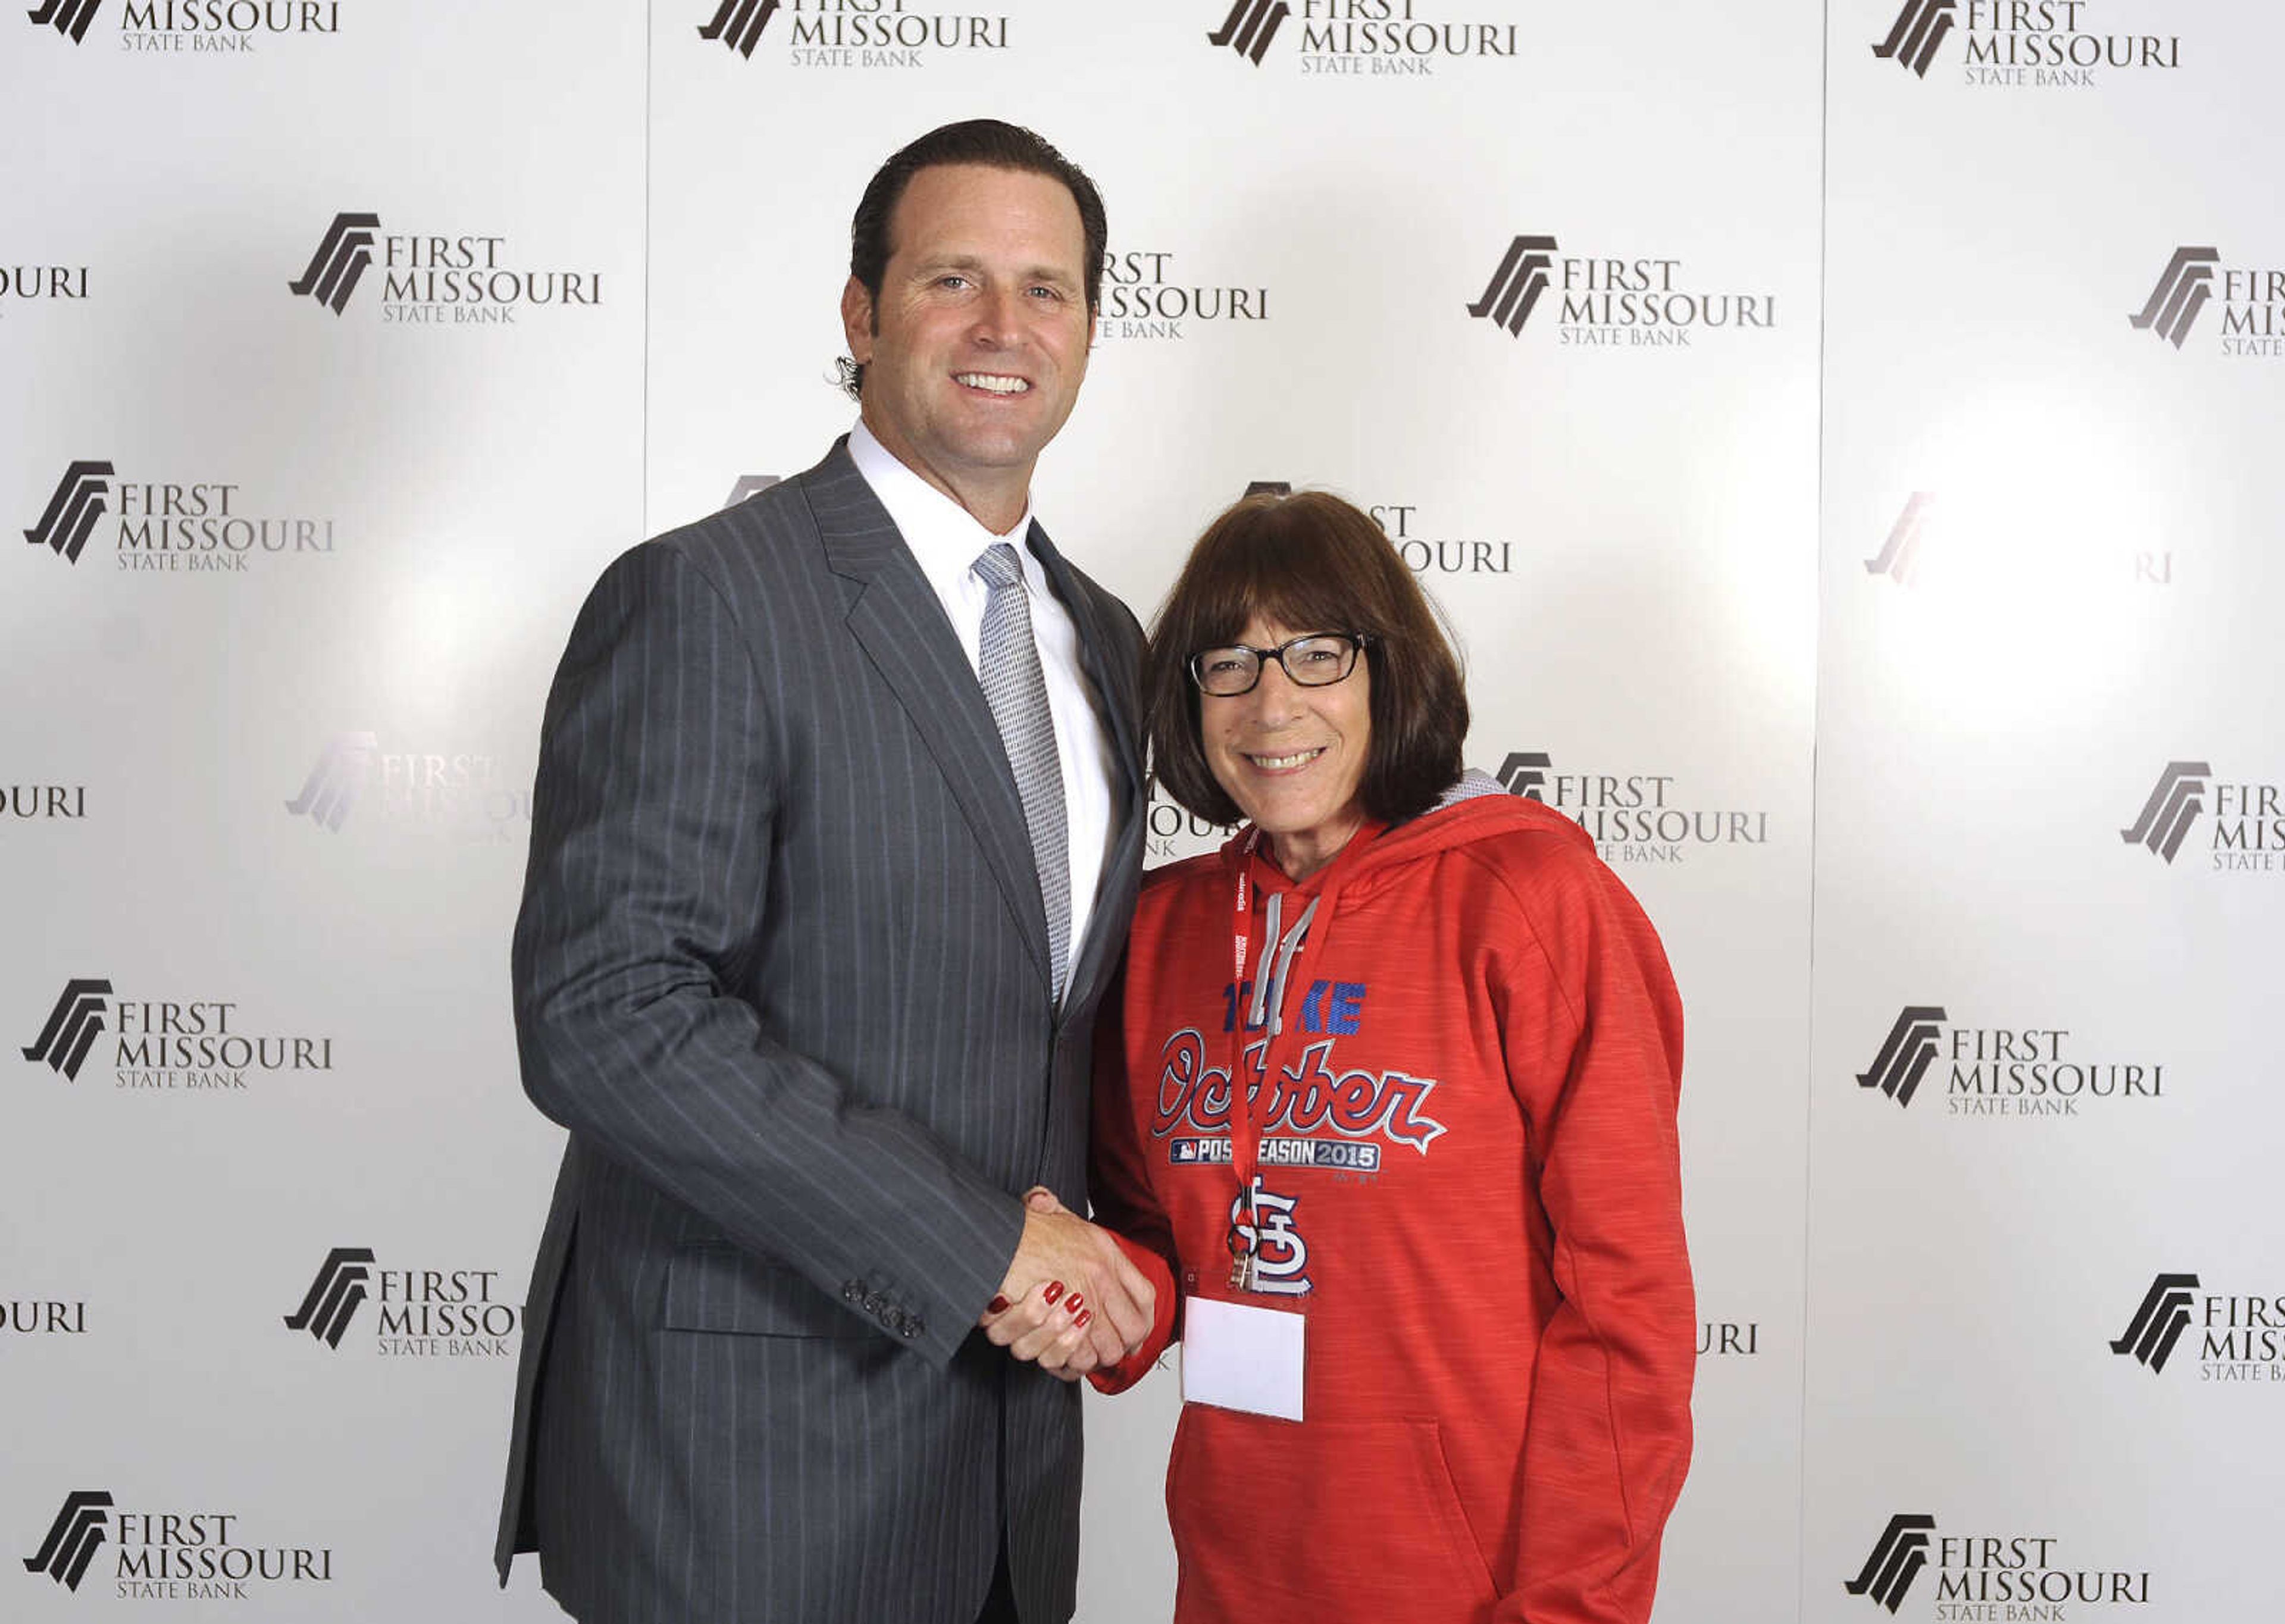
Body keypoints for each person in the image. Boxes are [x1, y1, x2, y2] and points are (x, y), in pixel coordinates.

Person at [494, 119, 1164, 1624]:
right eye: (954, 280)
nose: (1006, 329)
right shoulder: (709, 598)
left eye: (1048, 290)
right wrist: (979, 1242)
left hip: (1001, 1482)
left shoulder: (1106, 639)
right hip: (749, 1474)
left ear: (1092, 332)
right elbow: (607, 1010)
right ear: (861, 314)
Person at [1075, 490, 1695, 1623]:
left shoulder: (1531, 901)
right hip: (1231, 1576)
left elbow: (1629, 1309)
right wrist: (1104, 1301)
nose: (1274, 704)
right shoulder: (1162, 933)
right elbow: (1153, 1233)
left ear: (1387, 672)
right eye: (1232, 662)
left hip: (1475, 1590)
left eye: (1318, 653)